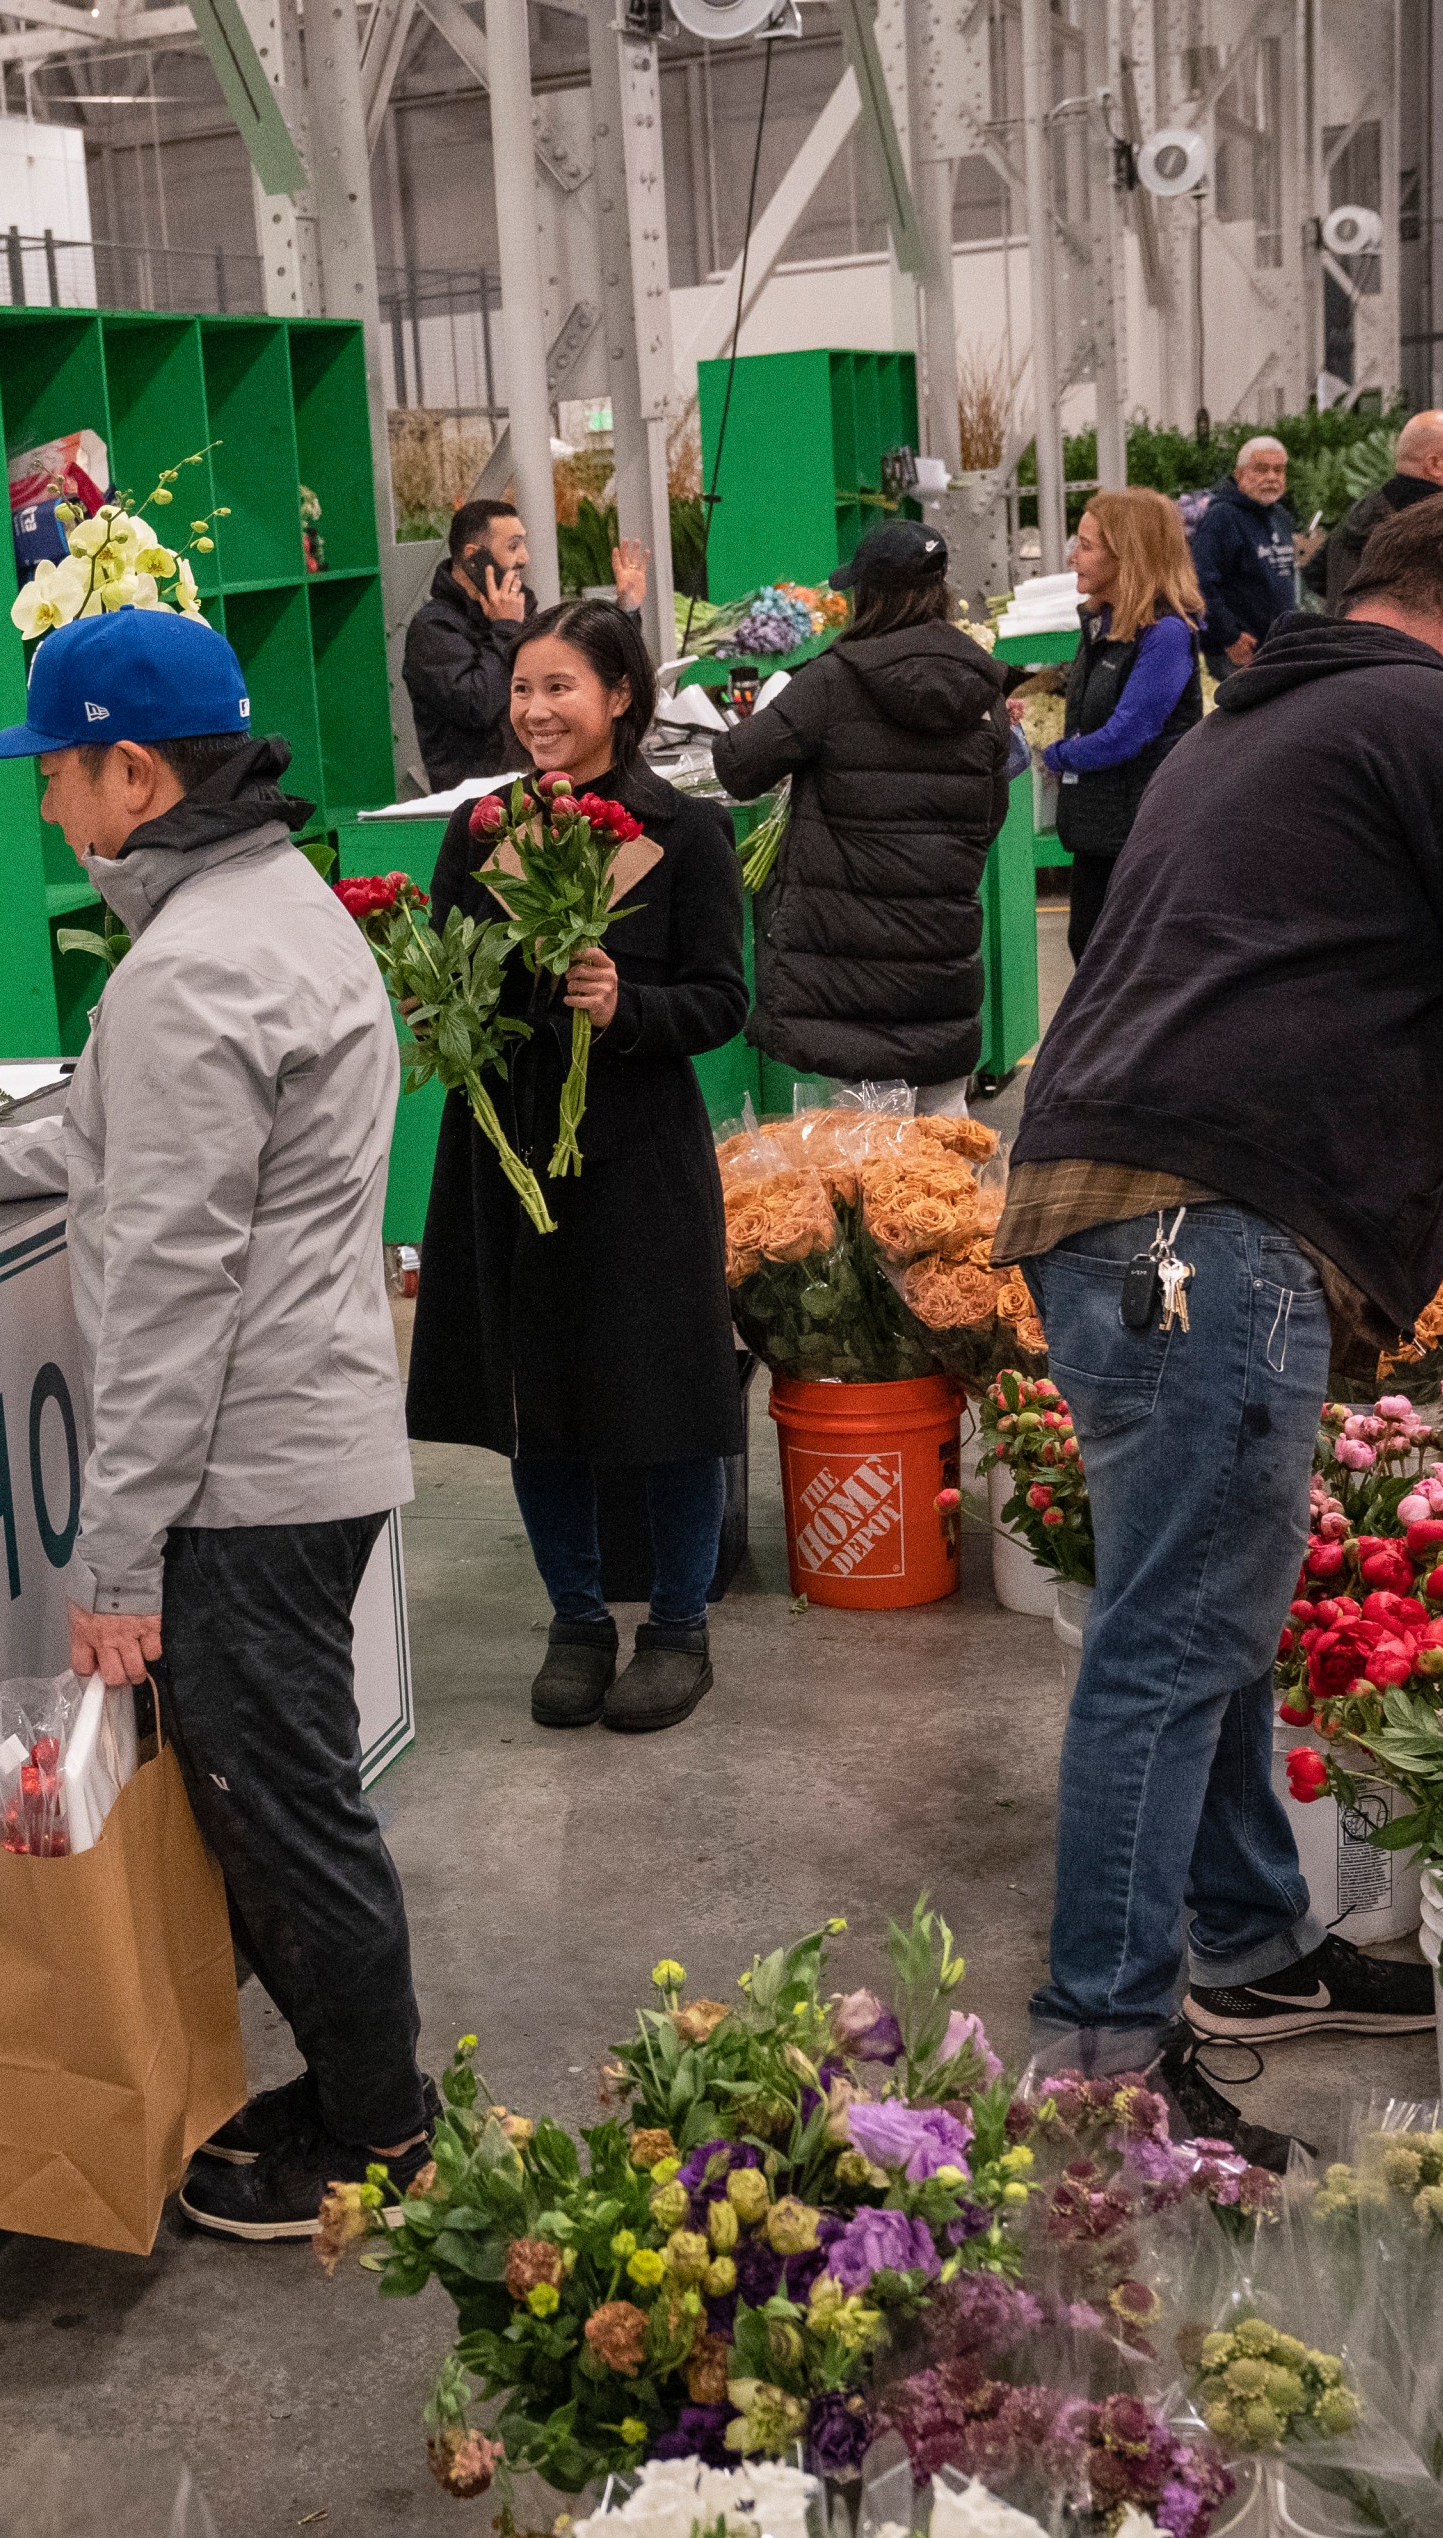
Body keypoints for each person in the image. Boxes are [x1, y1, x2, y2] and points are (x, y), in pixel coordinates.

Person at [995, 489, 1443, 2163]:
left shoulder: (1265, 720)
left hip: (1108, 1194)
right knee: (1175, 1641)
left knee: (1201, 1610)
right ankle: (1103, 2055)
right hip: (1208, 1213)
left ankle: (1250, 1948)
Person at [0, 607, 419, 2241]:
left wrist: (115, 1559)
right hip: (314, 1436)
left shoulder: (190, 974)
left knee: (282, 1812)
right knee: (282, 1796)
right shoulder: (269, 916)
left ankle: (378, 2133)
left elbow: (166, 1304)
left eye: (57, 775)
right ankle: (358, 2099)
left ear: (136, 773)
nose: (44, 808)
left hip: (248, 1472)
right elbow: (122, 1142)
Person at [406, 598, 749, 1735]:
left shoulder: (685, 834)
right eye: (522, 689)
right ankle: (577, 1618)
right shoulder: (478, 831)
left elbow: (721, 1000)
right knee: (536, 1385)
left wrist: (628, 1004)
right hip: (511, 1148)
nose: (535, 709)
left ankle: (680, 1628)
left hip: (639, 1147)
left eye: (560, 687)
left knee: (665, 1387)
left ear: (620, 697)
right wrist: (436, 1006)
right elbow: (447, 967)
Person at [709, 520, 1012, 1111]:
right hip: (940, 976)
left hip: (848, 988)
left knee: (857, 1171)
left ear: (868, 594)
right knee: (941, 1164)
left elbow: (738, 767)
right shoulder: (984, 691)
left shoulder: (830, 682)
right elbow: (989, 818)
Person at [1034, 488, 1208, 963]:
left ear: (1127, 556)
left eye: (1086, 546)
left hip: (1140, 836)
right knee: (1088, 948)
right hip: (1100, 833)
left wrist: (1055, 756)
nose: (1073, 557)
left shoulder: (1166, 633)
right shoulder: (1103, 625)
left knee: (1120, 962)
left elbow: (1129, 733)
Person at [402, 498, 531, 789]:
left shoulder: (521, 607)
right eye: (513, 546)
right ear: (474, 556)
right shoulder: (433, 628)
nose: (524, 558)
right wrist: (506, 628)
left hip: (528, 783)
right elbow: (478, 706)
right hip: (474, 804)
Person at [1317, 407, 1443, 612]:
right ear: (1434, 465)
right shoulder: (1442, 532)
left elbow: (1316, 576)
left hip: (1342, 640)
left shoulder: (1356, 517)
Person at [1189, 437, 1301, 668]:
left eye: (1278, 470)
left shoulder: (1279, 516)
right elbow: (1199, 581)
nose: (1271, 477)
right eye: (1261, 469)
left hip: (1275, 648)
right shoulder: (1222, 518)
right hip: (1237, 652)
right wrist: (1230, 636)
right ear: (1239, 475)